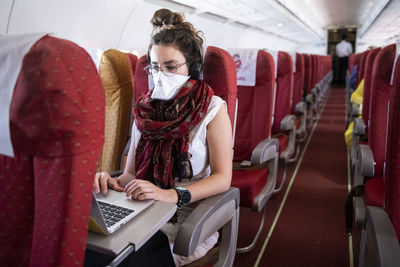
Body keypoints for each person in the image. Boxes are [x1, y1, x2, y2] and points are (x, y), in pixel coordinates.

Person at [92, 8, 232, 267]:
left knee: (121, 259)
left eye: (171, 67)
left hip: (188, 216)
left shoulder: (213, 109)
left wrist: (172, 195)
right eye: (155, 67)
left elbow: (223, 179)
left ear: (192, 67)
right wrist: (111, 182)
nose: (161, 74)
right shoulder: (145, 109)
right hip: (142, 206)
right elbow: (131, 174)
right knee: (92, 250)